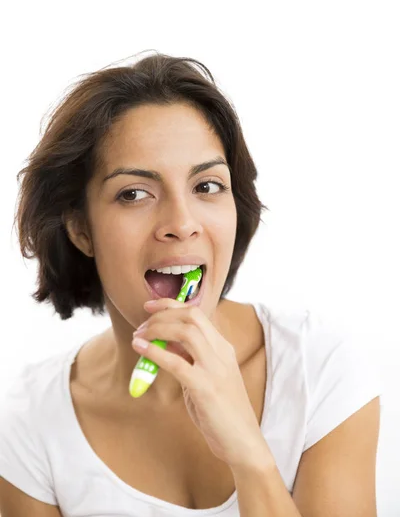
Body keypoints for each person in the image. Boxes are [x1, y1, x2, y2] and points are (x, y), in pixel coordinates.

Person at [0, 51, 382, 516]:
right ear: (81, 229)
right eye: (134, 194)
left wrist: (250, 454)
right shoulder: (29, 422)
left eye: (206, 186)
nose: (181, 224)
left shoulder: (319, 370)